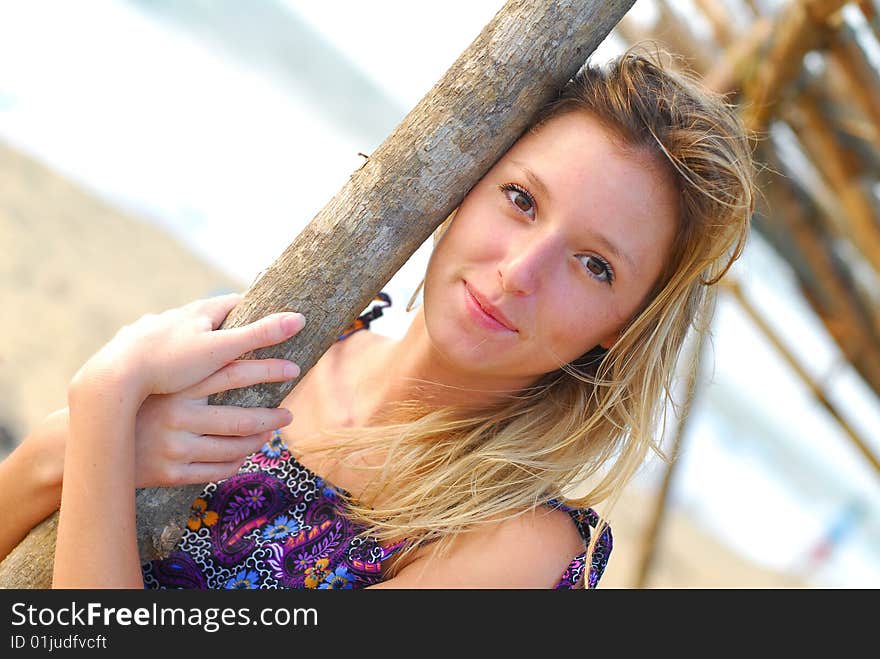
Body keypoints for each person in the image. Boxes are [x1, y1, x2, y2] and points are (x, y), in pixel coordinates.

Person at [1, 45, 755, 588]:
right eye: (521, 199)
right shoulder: (294, 347)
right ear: (466, 183)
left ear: (622, 325)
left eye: (596, 266)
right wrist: (49, 454)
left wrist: (103, 417)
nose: (518, 272)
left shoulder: (518, 546)